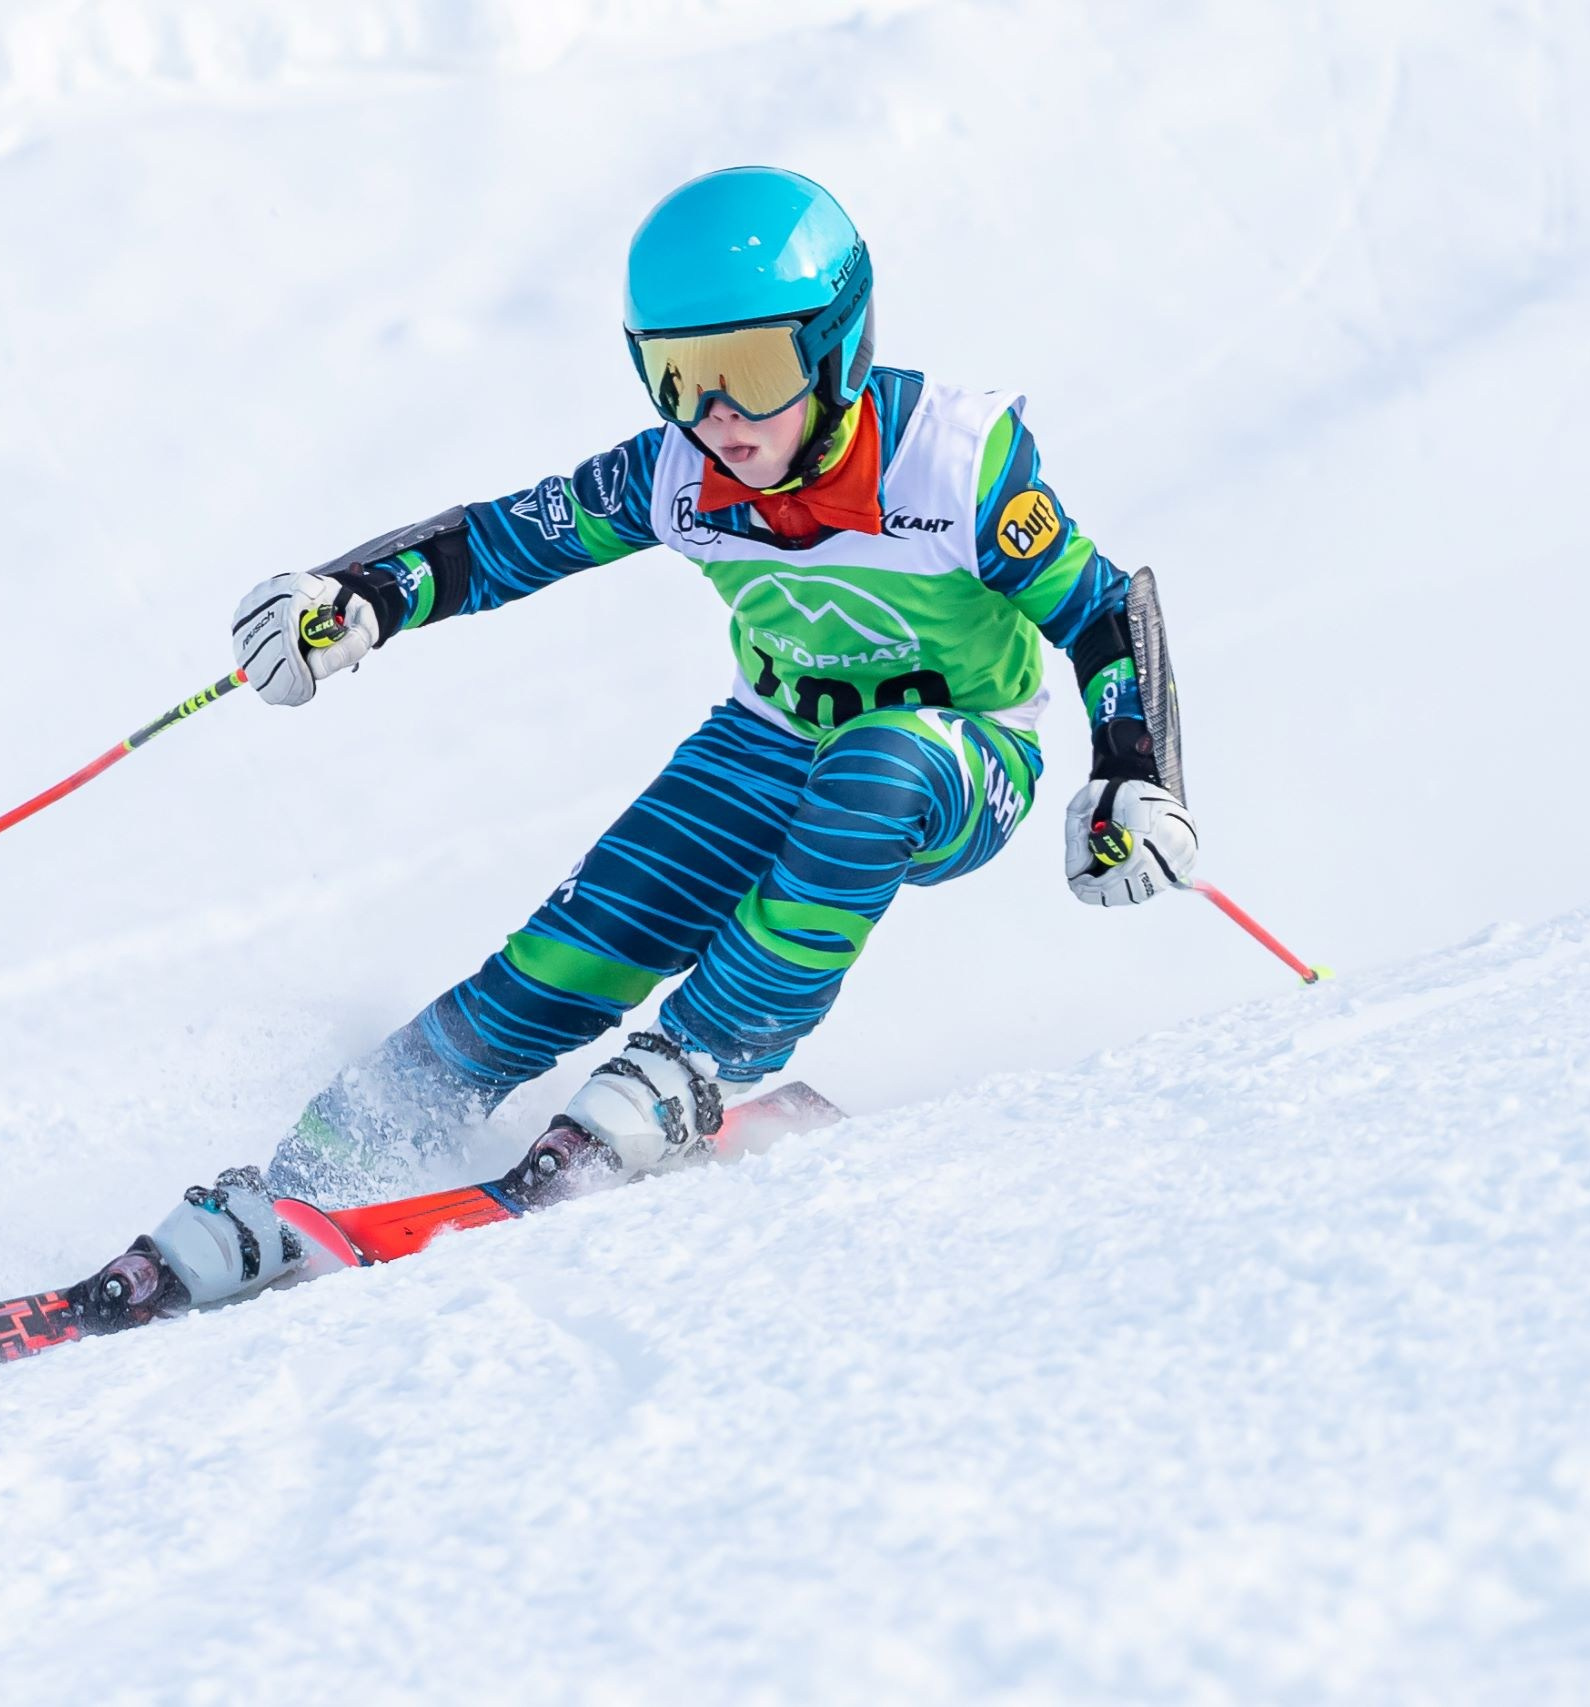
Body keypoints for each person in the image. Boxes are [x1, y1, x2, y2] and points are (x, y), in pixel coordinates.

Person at [71, 166, 1199, 1325]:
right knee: (563, 962)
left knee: (880, 764)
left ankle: (698, 1064)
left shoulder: (952, 461)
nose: (716, 418)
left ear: (837, 347)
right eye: (677, 377)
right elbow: (503, 540)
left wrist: (1133, 775)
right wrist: (362, 598)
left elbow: (1104, 609)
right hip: (765, 741)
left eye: (751, 374)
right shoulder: (677, 475)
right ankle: (304, 1184)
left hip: (957, 756)